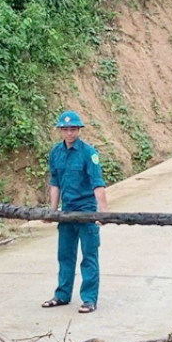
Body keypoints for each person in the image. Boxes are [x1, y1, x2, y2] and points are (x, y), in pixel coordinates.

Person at [41, 111, 107, 314]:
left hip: (86, 212)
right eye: (66, 129)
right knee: (65, 255)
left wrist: (103, 212)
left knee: (89, 256)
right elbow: (55, 183)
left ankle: (89, 299)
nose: (69, 133)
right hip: (66, 212)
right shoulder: (56, 153)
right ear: (61, 130)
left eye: (73, 129)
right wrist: (52, 211)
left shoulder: (89, 153)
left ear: (79, 130)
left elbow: (97, 183)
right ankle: (62, 295)